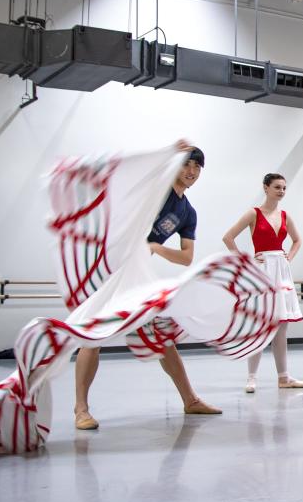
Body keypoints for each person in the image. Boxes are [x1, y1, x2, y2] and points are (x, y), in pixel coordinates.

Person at [73, 143, 221, 430]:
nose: (191, 171)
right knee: (93, 334)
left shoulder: (187, 212)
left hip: (139, 271)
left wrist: (157, 248)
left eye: (197, 167)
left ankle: (190, 400)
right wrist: (167, 151)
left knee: (163, 337)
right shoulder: (158, 191)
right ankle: (81, 408)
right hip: (111, 266)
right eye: (187, 164)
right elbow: (135, 175)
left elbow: (186, 257)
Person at [222, 173, 303, 393]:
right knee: (260, 326)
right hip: (262, 269)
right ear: (266, 188)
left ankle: (284, 377)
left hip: (281, 268)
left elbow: (297, 240)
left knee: (281, 327)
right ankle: (251, 377)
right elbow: (228, 237)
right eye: (277, 187)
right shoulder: (254, 213)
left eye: (284, 188)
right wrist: (246, 259)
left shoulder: (286, 216)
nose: (281, 191)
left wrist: (288, 256)